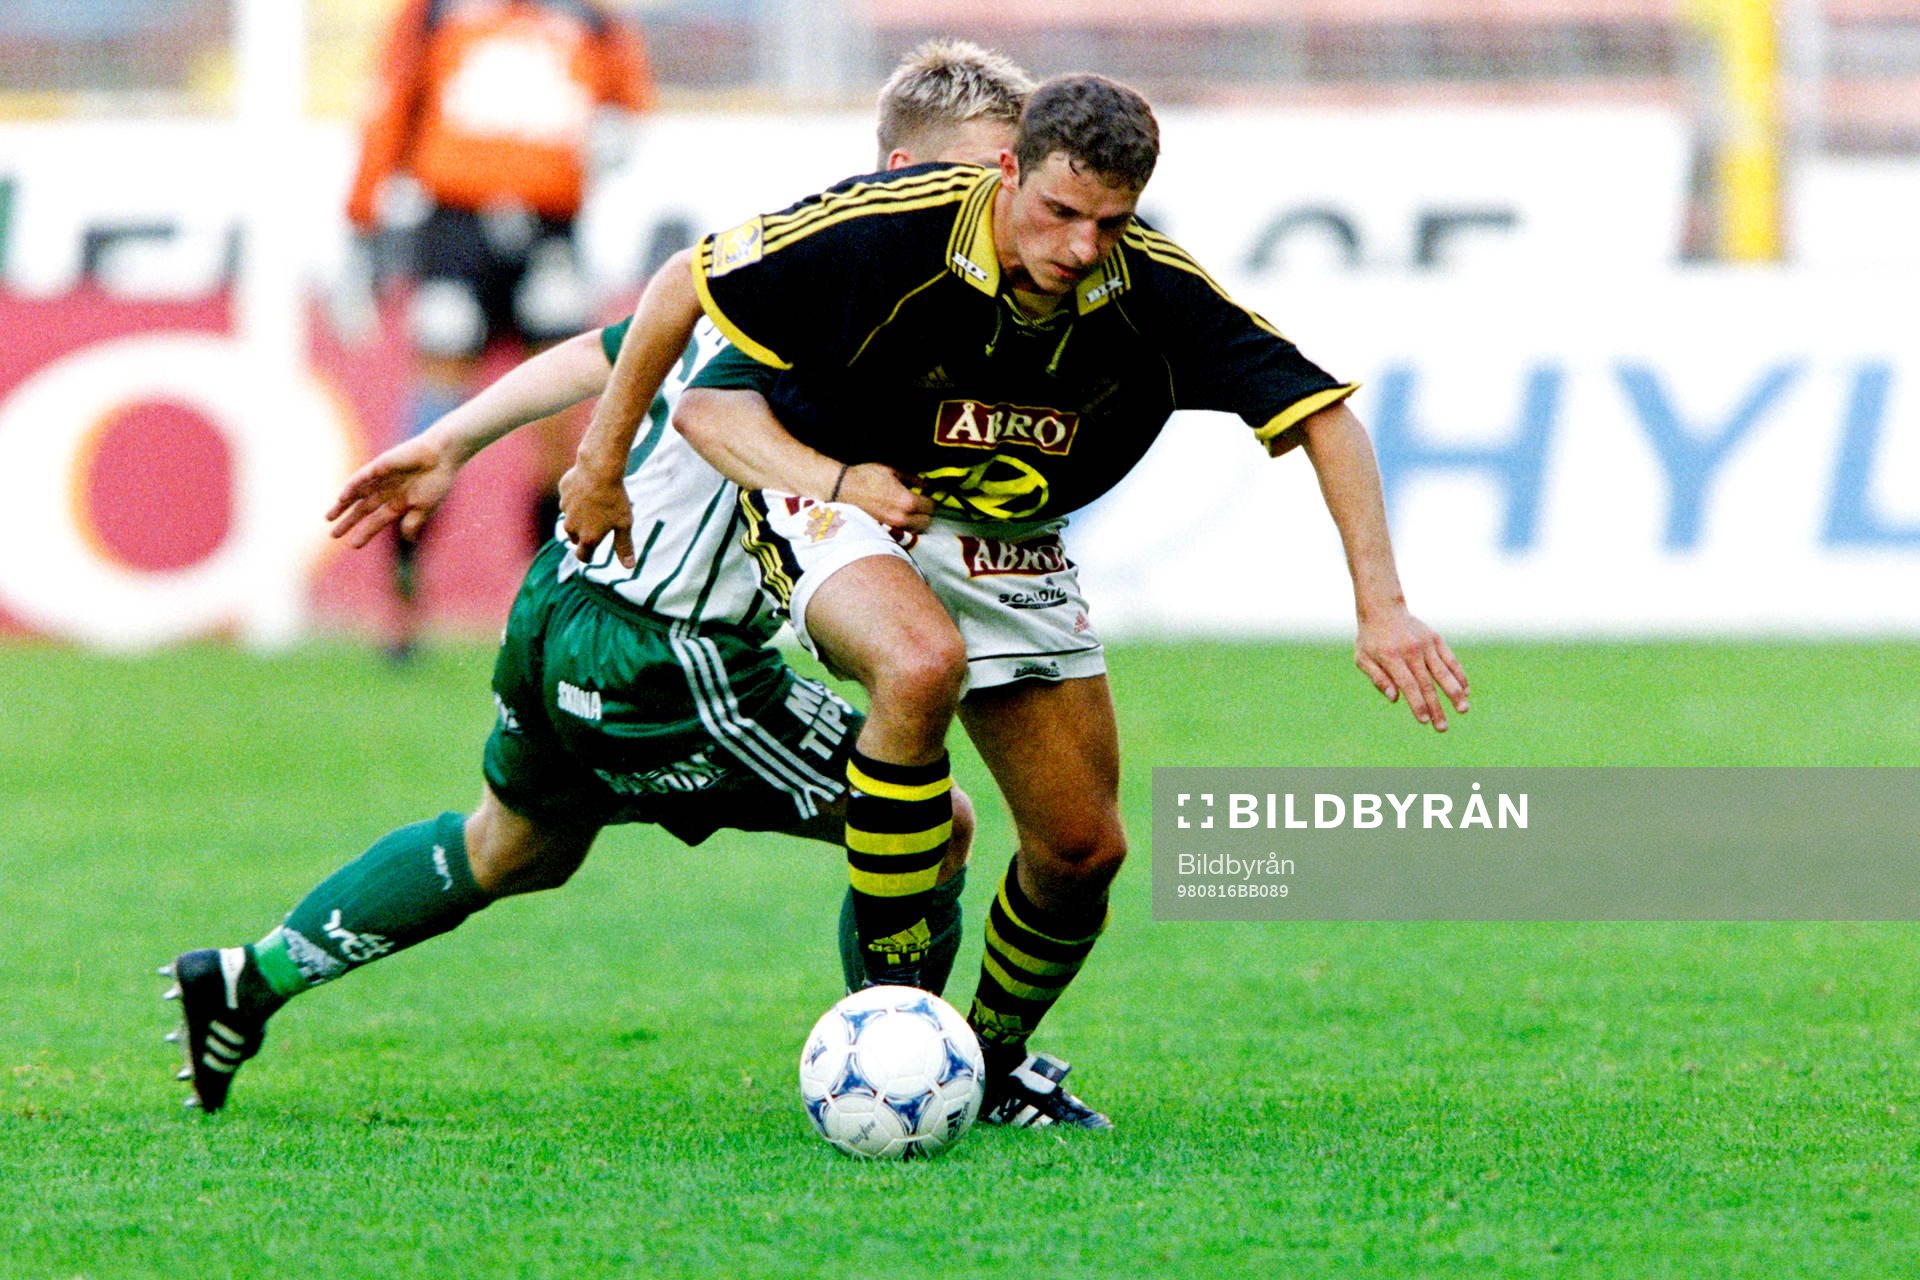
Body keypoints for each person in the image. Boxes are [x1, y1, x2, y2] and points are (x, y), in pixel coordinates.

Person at [556, 74, 1473, 1130]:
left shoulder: (1151, 293)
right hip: (836, 483)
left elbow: (1327, 417)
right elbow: (681, 286)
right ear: (1006, 172)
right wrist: (600, 464)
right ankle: (890, 1015)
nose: (1083, 246)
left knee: (1085, 848)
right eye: (1060, 212)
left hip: (1006, 540)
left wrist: (1384, 606)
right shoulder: (885, 234)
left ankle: (983, 1063)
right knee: (917, 662)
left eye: (1111, 222)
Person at [162, 40, 1034, 1115]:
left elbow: (603, 353)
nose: (1014, 193)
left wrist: (454, 442)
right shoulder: (862, 282)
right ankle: (915, 1070)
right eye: (997, 167)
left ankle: (247, 977)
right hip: (664, 650)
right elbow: (623, 363)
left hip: (563, 605)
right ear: (909, 170)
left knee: (514, 846)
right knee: (926, 821)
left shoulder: (783, 249)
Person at [343, 0, 653, 658]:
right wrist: (364, 221)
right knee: (436, 412)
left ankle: (551, 601)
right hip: (455, 226)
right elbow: (390, 106)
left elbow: (628, 106)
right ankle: (403, 596)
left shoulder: (588, 19)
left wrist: (608, 138)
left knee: (559, 431)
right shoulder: (435, 13)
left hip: (548, 229)